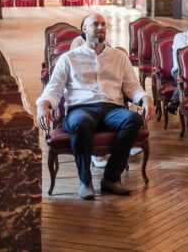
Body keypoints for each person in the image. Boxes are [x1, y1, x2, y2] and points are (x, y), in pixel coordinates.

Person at [37, 13, 154, 200]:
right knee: (80, 122)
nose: (100, 27)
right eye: (95, 24)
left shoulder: (118, 57)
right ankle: (85, 182)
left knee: (133, 119)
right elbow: (53, 89)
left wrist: (144, 98)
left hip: (111, 110)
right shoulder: (68, 59)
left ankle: (110, 178)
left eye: (103, 24)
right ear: (84, 29)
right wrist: (43, 104)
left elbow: (132, 87)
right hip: (81, 109)